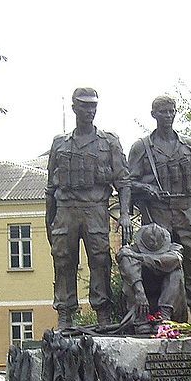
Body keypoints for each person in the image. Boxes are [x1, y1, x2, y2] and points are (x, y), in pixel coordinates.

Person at [46, 88, 132, 329]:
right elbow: (50, 187)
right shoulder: (60, 143)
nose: (90, 111)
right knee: (63, 261)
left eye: (93, 106)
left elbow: (123, 182)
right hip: (66, 210)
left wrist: (125, 215)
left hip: (95, 209)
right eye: (84, 106)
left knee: (100, 260)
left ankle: (103, 315)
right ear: (74, 108)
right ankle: (65, 315)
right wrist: (48, 219)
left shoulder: (109, 142)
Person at [128, 95, 191, 325]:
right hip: (157, 214)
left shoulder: (189, 146)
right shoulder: (142, 148)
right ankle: (157, 315)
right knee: (158, 264)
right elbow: (127, 183)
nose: (167, 116)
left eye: (171, 111)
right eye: (162, 112)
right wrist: (146, 188)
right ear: (153, 115)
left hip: (186, 209)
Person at [117, 223, 186, 331]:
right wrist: (139, 292)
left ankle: (164, 316)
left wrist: (140, 257)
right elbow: (124, 258)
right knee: (129, 266)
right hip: (140, 298)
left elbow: (175, 260)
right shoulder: (129, 250)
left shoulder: (174, 248)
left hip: (166, 299)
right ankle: (141, 319)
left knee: (175, 272)